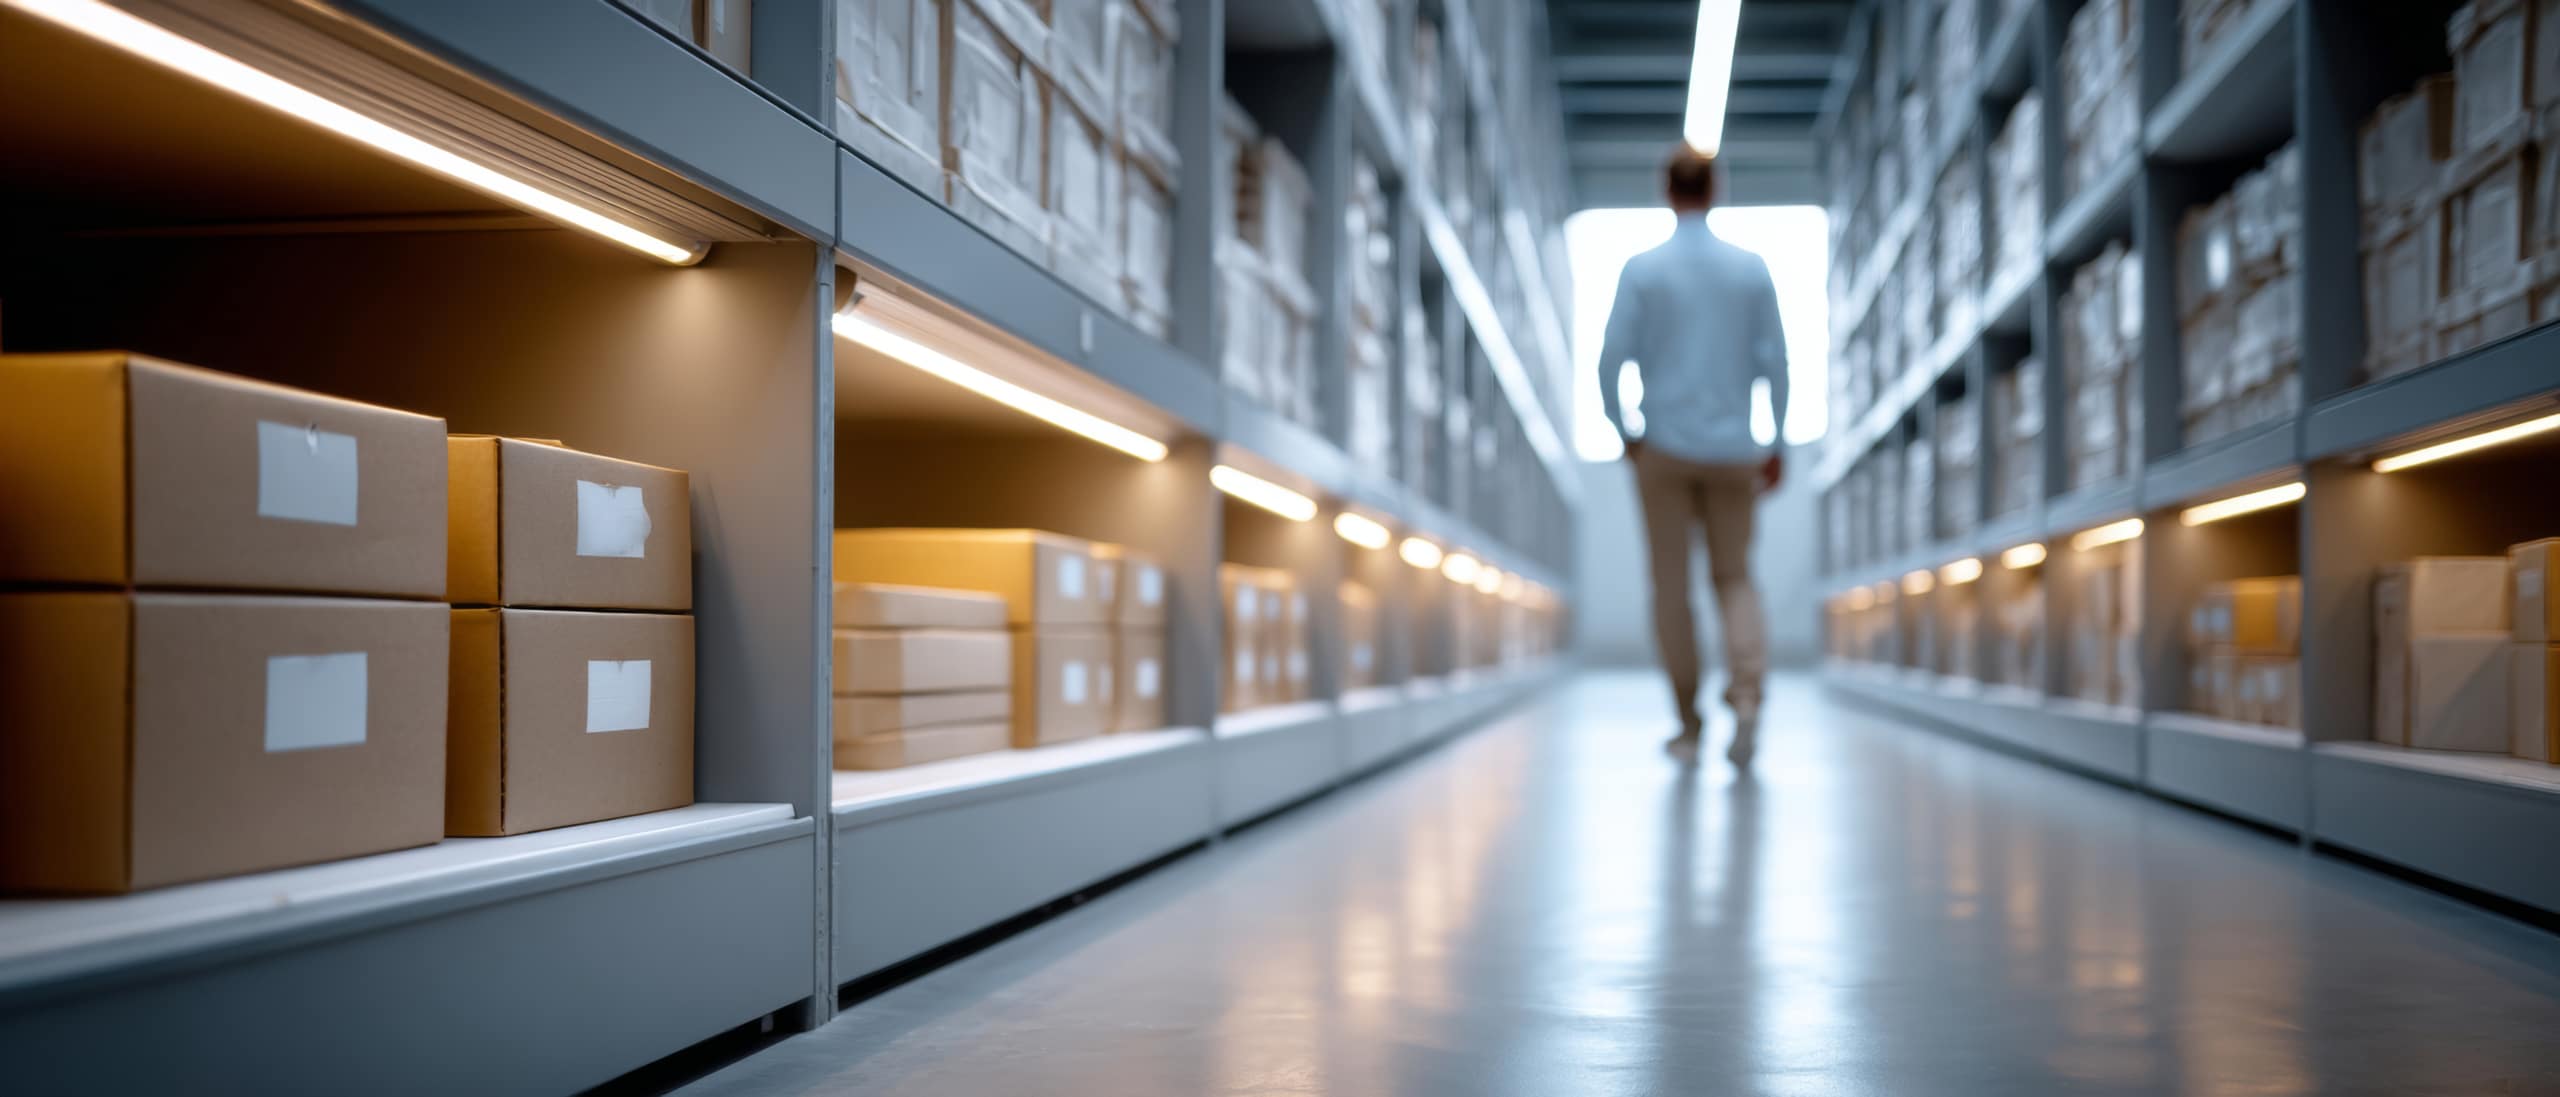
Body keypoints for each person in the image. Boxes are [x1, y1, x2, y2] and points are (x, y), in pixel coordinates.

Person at [1594, 146, 1789, 768]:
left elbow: (1609, 362)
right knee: (1734, 576)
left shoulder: (1642, 271)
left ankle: (1688, 723)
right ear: (1716, 188)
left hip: (1664, 450)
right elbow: (1776, 363)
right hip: (1736, 450)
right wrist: (1776, 439)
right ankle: (1749, 698)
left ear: (1666, 190)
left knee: (1670, 587)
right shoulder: (1750, 270)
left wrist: (1622, 431)